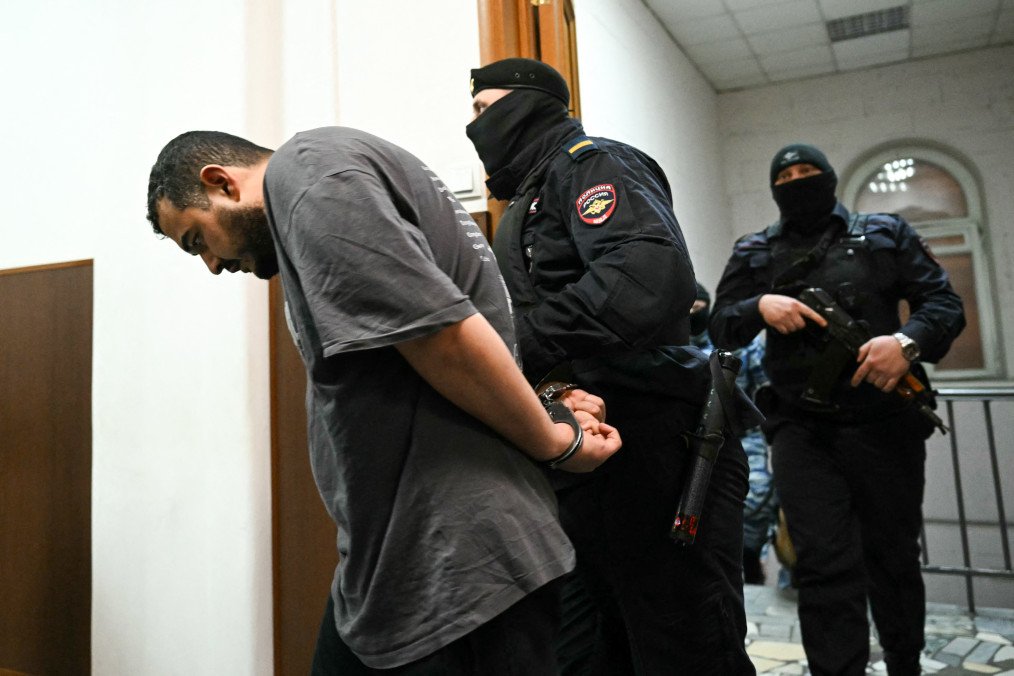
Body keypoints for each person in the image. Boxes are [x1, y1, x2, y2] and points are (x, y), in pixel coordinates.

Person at [145, 128, 624, 674]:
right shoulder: (327, 178)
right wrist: (548, 407)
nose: (211, 264)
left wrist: (557, 440)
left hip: (454, 560)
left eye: (197, 240)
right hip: (403, 560)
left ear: (220, 183)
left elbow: (440, 338)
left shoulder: (308, 174)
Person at [466, 58, 755, 675]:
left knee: (684, 641)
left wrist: (517, 346)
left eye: (485, 109)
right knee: (594, 647)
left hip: (658, 439)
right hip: (583, 442)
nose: (475, 126)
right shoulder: (525, 203)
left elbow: (646, 281)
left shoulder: (593, 164)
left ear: (529, 101)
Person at [710, 143, 966, 676]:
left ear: (828, 178)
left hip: (885, 426)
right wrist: (758, 306)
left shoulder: (884, 234)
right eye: (787, 175)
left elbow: (944, 304)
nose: (798, 181)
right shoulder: (757, 250)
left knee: (893, 558)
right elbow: (720, 324)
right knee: (823, 564)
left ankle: (904, 662)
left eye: (808, 172)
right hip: (802, 431)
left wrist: (907, 343)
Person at [691, 282, 778, 586]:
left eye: (698, 309)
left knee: (755, 497)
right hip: (690, 438)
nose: (692, 315)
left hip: (740, 435)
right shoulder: (673, 345)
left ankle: (750, 559)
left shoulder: (737, 344)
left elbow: (767, 385)